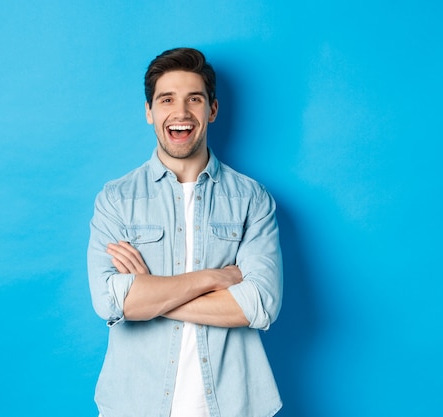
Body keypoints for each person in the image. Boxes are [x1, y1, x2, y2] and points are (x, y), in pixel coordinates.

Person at [87, 47, 283, 417]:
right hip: (134, 405)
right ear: (149, 112)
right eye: (166, 100)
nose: (180, 113)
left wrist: (151, 295)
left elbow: (259, 304)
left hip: (235, 405)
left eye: (194, 99)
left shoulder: (252, 199)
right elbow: (112, 302)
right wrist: (216, 278)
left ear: (212, 110)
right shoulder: (115, 199)